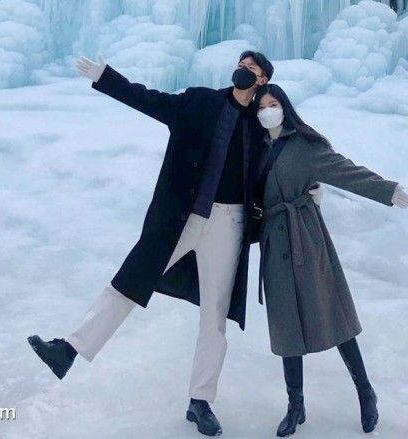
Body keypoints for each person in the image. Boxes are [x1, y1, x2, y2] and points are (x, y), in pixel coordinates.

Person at [28, 50, 273, 437]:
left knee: (215, 314)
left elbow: (290, 158)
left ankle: (200, 401)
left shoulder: (262, 127)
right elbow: (150, 100)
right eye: (240, 66)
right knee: (129, 280)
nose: (241, 72)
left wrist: (310, 187)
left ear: (262, 81)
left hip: (230, 224)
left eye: (251, 70)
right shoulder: (200, 102)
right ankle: (68, 349)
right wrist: (106, 78)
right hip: (183, 217)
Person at [252, 83, 408, 436]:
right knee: (285, 325)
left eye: (273, 104)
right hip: (273, 244)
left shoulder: (305, 146)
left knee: (331, 312)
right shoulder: (256, 149)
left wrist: (387, 189)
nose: (267, 111)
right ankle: (296, 405)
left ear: (284, 107)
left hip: (306, 239)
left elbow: (345, 171)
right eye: (261, 106)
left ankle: (365, 392)